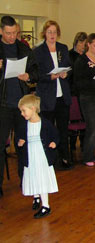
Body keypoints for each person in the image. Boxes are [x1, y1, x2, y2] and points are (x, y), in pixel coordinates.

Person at [0, 15, 38, 198]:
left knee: (23, 143)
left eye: (14, 32)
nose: (12, 37)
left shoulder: (23, 48)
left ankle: (26, 180)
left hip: (22, 105)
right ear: (1, 31)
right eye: (8, 33)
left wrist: (28, 76)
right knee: (1, 146)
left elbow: (36, 70)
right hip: (3, 104)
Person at [33, 20, 72, 171]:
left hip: (62, 96)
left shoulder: (63, 48)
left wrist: (65, 73)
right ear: (44, 33)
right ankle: (48, 161)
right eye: (49, 32)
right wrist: (51, 77)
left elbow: (70, 68)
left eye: (55, 32)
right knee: (48, 130)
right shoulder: (38, 51)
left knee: (63, 129)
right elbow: (36, 74)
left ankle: (64, 159)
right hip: (47, 96)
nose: (52, 35)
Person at [16, 94, 59, 219]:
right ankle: (36, 196)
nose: (22, 114)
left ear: (33, 108)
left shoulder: (45, 123)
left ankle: (46, 205)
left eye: (24, 110)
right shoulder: (24, 125)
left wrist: (54, 142)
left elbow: (55, 135)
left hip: (41, 157)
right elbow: (19, 137)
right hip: (30, 156)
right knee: (32, 176)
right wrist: (20, 142)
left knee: (41, 178)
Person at [73, 33, 95, 167]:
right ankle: (87, 156)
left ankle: (92, 154)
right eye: (94, 45)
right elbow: (79, 83)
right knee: (91, 127)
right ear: (88, 45)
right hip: (87, 97)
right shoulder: (81, 61)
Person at [68, 32, 87, 151]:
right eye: (81, 43)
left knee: (84, 117)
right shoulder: (70, 54)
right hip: (73, 91)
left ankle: (84, 143)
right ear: (76, 42)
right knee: (74, 117)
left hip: (84, 91)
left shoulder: (86, 55)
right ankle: (72, 143)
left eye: (85, 44)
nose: (83, 46)